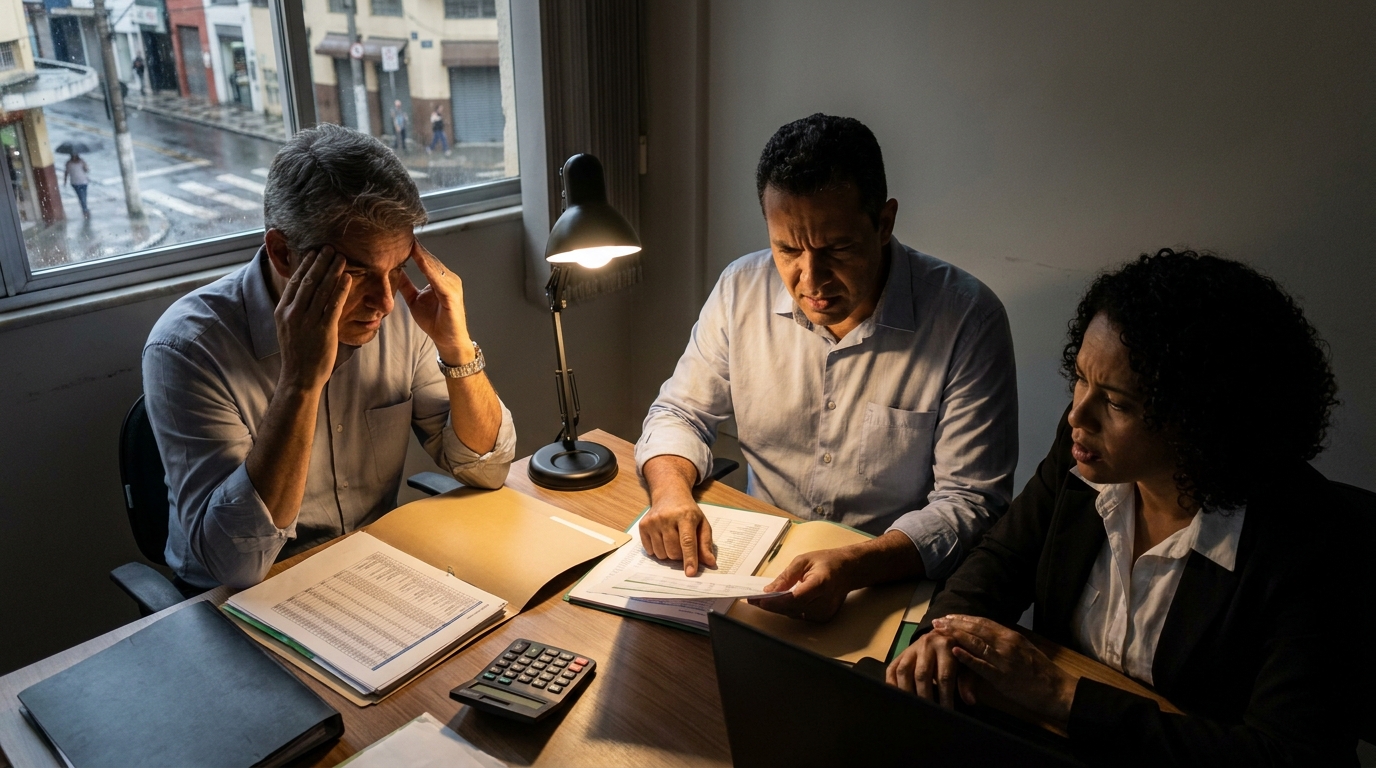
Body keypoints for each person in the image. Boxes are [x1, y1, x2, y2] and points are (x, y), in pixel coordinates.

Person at [887, 249, 1357, 765]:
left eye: (1115, 402)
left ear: (1200, 423)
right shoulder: (1083, 461)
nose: (1076, 415)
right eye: (1081, 377)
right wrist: (945, 631)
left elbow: (1285, 754)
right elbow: (1002, 559)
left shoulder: (1309, 543)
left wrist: (1062, 696)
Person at [635, 114, 1018, 619]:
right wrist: (669, 494)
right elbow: (680, 413)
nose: (809, 279)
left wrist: (856, 564)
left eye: (836, 249)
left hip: (888, 584)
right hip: (758, 565)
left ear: (883, 223)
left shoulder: (967, 318)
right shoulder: (740, 289)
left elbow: (971, 503)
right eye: (788, 249)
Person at [143, 123, 516, 590]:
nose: (384, 302)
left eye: (397, 269)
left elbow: (487, 468)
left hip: (366, 569)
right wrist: (300, 381)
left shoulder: (398, 313)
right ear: (282, 253)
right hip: (234, 599)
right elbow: (235, 566)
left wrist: (456, 349)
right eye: (356, 274)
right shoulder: (187, 348)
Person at [63, 153, 90, 218]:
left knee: (84, 196)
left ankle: (85, 209)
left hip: (83, 182)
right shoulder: (68, 163)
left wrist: (85, 165)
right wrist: (65, 181)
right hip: (75, 183)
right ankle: (85, 210)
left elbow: (86, 170)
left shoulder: (81, 162)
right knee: (81, 197)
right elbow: (66, 172)